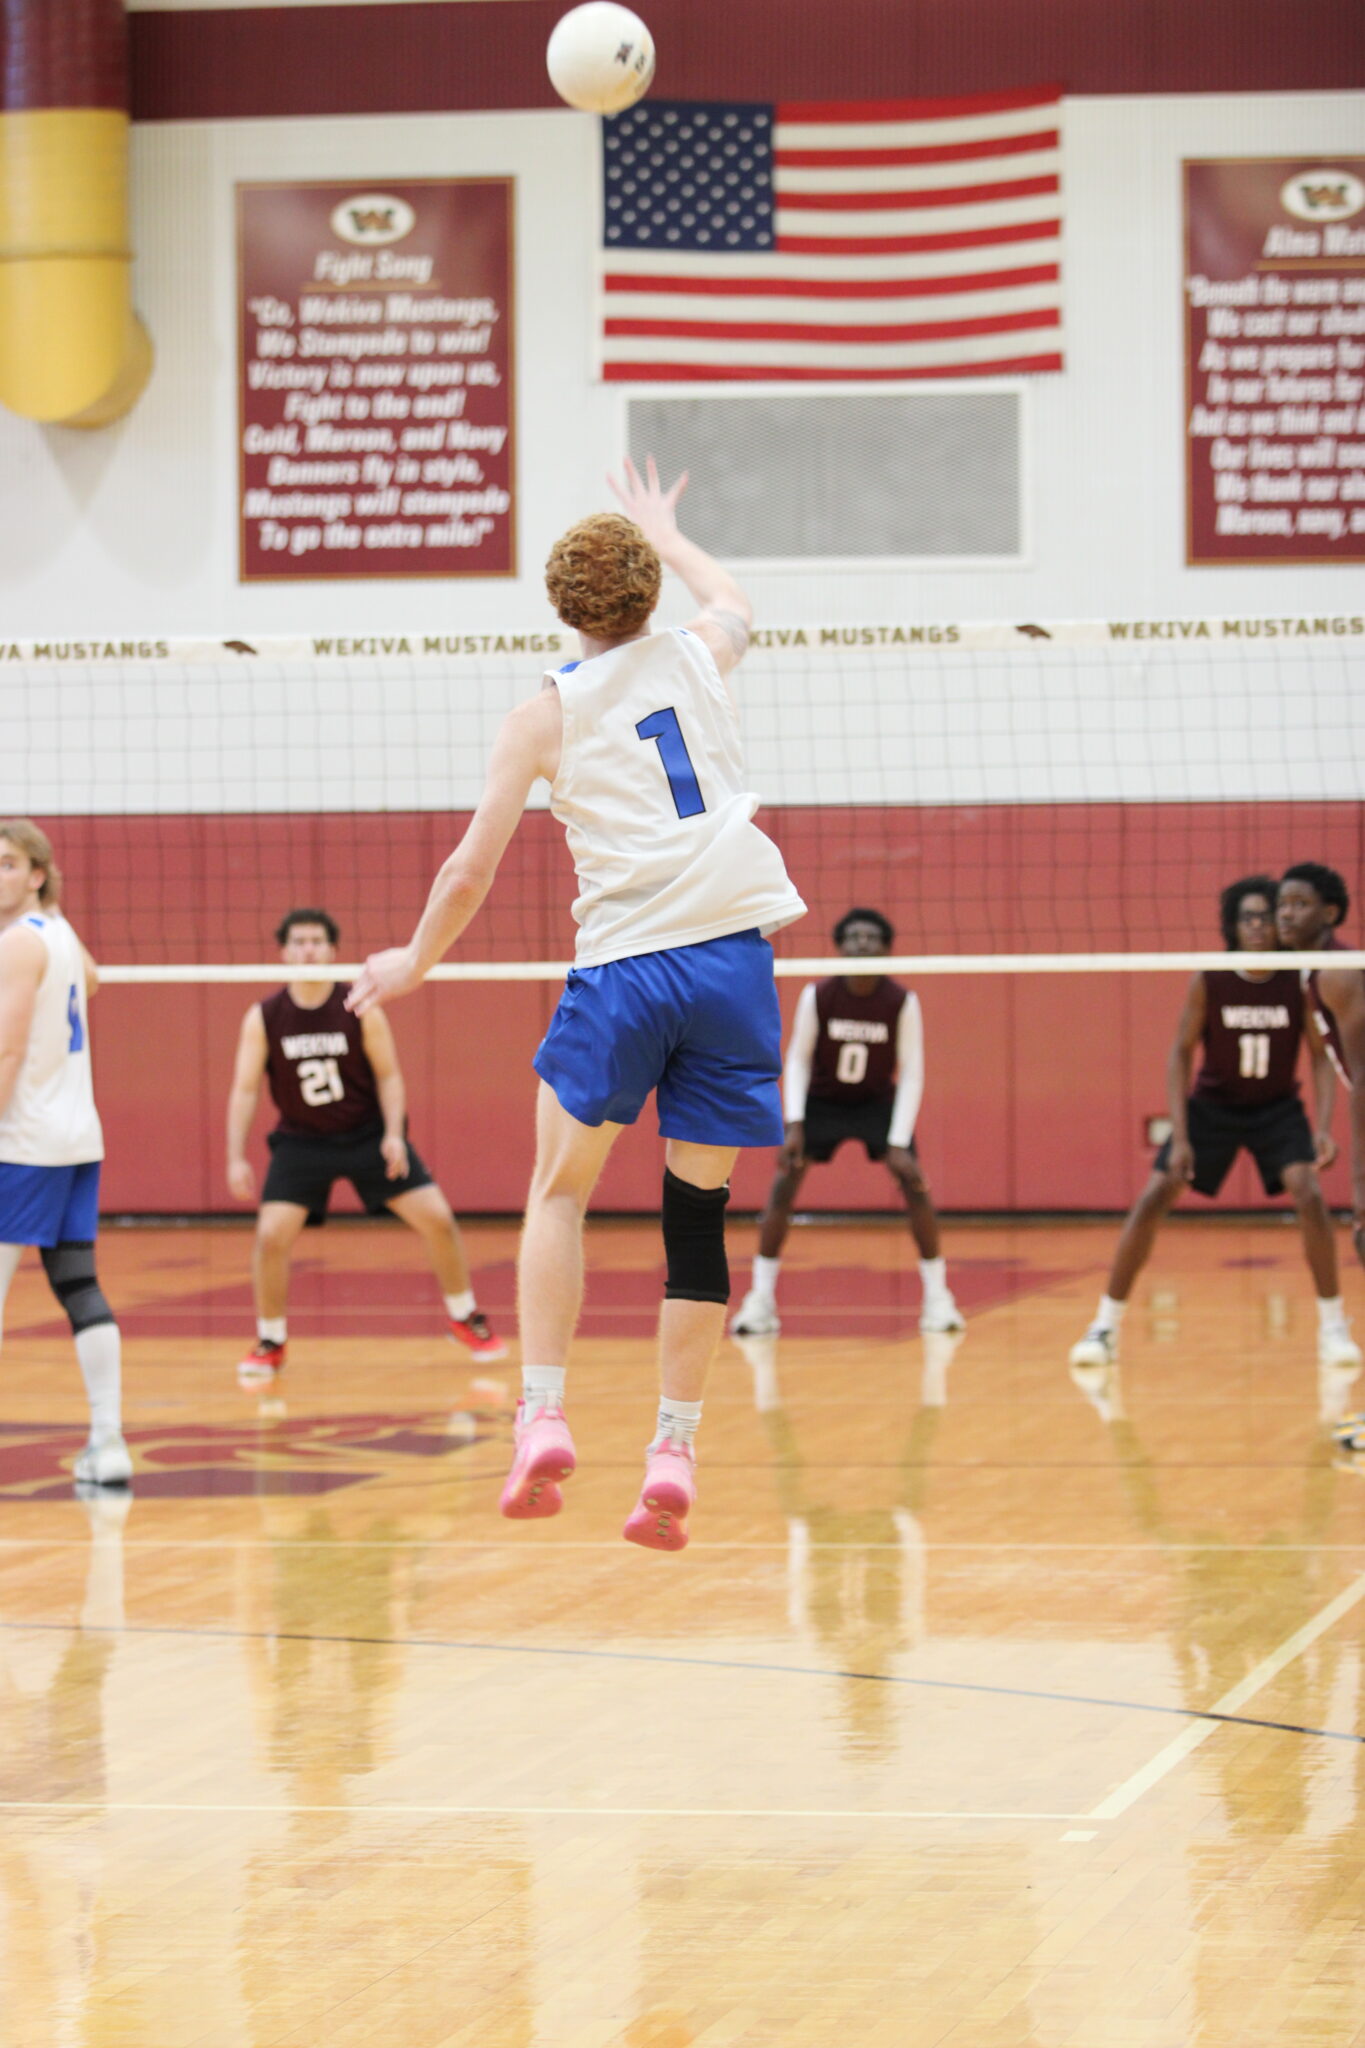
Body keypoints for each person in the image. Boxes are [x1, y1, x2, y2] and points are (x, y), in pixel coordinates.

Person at [348, 457, 807, 1550]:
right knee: (694, 1217)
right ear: (651, 597)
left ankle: (542, 1413)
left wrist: (412, 961)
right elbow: (736, 599)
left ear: (561, 607)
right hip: (733, 967)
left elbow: (467, 872)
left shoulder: (542, 716)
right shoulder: (702, 656)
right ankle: (674, 1444)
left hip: (625, 969)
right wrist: (669, 530)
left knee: (559, 1194)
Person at [1070, 873, 1358, 1372]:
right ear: (1233, 925)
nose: (1258, 926)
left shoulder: (1299, 979)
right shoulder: (1212, 979)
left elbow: (1319, 1057)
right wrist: (1181, 1136)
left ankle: (1333, 1327)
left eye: (1267, 917)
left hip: (1277, 1108)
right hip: (1214, 1108)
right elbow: (1179, 1054)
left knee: (1308, 1193)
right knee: (1155, 1194)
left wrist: (1324, 1125)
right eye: (1247, 917)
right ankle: (1104, 1325)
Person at [225, 907, 503, 1383]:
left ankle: (464, 1316)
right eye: (299, 941)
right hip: (301, 1141)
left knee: (437, 1218)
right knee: (271, 1236)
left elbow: (389, 1075)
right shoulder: (265, 1016)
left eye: (317, 941)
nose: (308, 949)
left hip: (366, 1135)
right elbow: (246, 1089)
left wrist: (395, 1134)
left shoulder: (359, 1003)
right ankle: (270, 1340)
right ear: (284, 952)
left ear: (333, 951)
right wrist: (234, 1157)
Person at [731, 907, 961, 1337]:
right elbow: (797, 1059)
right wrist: (795, 1122)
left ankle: (937, 1298)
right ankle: (760, 1301)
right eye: (853, 937)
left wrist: (896, 1141)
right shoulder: (819, 995)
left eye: (871, 937)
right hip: (823, 1102)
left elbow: (911, 1072)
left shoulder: (901, 1001)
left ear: (887, 948)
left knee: (915, 1185)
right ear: (839, 947)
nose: (861, 944)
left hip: (877, 1103)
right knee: (784, 1185)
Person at [0, 819, 131, 1486]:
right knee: (78, 1284)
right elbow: (94, 982)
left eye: (8, 864)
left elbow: (8, 1049)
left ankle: (108, 1442)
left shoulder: (19, 945)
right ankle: (108, 1446)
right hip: (78, 1137)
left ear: (36, 873)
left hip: (23, 1142)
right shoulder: (60, 933)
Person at [1275, 863, 1365, 1451]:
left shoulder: (1337, 972)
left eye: (1301, 904)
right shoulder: (1311, 971)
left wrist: (1361, 1188)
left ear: (1330, 913)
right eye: (1282, 903)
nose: (1286, 914)